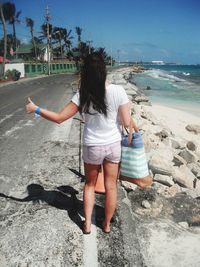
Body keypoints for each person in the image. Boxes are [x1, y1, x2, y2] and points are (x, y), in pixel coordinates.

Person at [26, 52, 133, 234]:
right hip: (113, 145)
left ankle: (87, 224)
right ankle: (107, 224)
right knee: (111, 186)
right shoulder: (118, 91)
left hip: (92, 146)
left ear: (86, 72)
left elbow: (60, 118)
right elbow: (126, 122)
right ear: (104, 70)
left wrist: (35, 108)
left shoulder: (82, 94)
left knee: (90, 185)